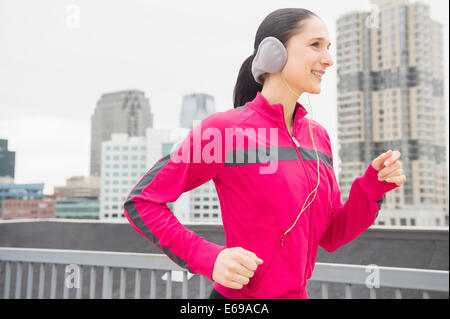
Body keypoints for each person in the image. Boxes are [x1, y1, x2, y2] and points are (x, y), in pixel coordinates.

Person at [123, 8, 406, 299]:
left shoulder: (317, 137)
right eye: (315, 45)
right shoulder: (226, 131)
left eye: (329, 48)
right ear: (274, 53)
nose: (328, 59)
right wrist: (207, 257)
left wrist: (373, 187)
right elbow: (142, 202)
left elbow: (332, 235)